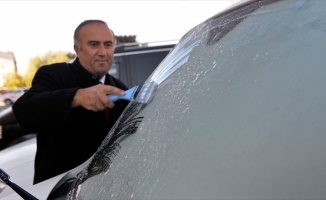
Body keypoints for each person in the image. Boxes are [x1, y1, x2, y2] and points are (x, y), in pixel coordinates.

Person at [12, 19, 130, 184]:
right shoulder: (54, 75)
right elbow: (24, 111)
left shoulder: (119, 87)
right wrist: (76, 97)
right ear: (77, 49)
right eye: (94, 45)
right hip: (59, 189)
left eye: (108, 45)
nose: (103, 52)